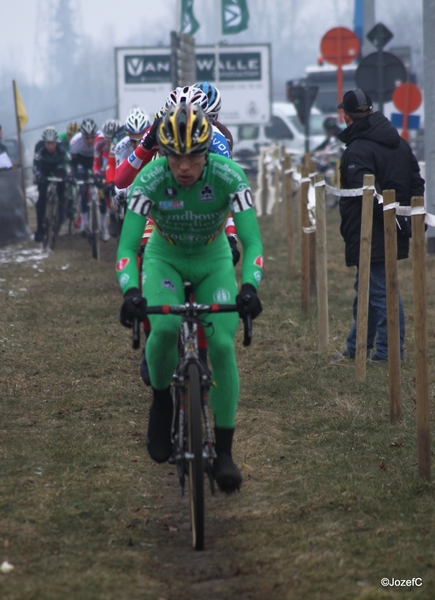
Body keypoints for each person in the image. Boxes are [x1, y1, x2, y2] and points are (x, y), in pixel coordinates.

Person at [116, 103, 264, 492]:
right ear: (163, 154)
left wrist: (249, 286)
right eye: (175, 156)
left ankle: (226, 453)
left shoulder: (229, 175)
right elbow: (128, 246)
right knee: (162, 328)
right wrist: (130, 291)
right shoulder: (148, 180)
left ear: (207, 153)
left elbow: (251, 241)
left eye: (194, 157)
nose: (184, 167)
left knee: (220, 343)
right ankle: (161, 401)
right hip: (165, 258)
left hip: (212, 259)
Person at [333, 89, 425, 362]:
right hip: (394, 227)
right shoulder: (400, 143)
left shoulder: (358, 150)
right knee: (368, 291)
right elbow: (417, 183)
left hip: (370, 232)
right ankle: (356, 347)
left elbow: (364, 194)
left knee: (381, 293)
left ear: (345, 116)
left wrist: (391, 219)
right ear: (372, 111)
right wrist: (408, 220)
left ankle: (387, 352)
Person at [33, 126, 69, 242]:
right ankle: (39, 229)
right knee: (42, 197)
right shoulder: (39, 147)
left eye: (53, 143)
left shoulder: (61, 147)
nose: (51, 146)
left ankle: (61, 217)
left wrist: (67, 173)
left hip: (57, 168)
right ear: (44, 142)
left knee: (62, 194)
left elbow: (67, 162)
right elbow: (35, 164)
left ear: (56, 142)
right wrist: (37, 174)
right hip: (44, 169)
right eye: (48, 143)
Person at [70, 118, 100, 236]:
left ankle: (103, 224)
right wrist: (74, 176)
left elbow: (104, 159)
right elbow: (73, 163)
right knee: (83, 190)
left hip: (94, 160)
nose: (90, 140)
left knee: (101, 187)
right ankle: (84, 223)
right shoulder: (75, 142)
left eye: (92, 137)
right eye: (86, 137)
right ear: (81, 136)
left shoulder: (100, 140)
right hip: (81, 161)